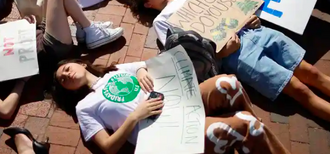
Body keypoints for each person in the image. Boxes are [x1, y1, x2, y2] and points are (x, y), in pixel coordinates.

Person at [127, 0, 330, 122]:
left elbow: (233, 6)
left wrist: (253, 16)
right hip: (236, 53)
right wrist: (221, 55)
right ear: (147, 3)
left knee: (311, 72)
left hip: (254, 31)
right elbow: (184, 53)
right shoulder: (161, 21)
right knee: (299, 90)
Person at [52, 58, 290, 154]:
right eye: (63, 81)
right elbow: (107, 147)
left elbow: (143, 64)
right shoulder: (84, 107)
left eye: (65, 69)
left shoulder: (116, 70)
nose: (66, 75)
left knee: (228, 83)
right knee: (245, 125)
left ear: (80, 62)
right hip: (164, 133)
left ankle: (254, 140)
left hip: (177, 101)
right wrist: (135, 116)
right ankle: (252, 135)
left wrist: (142, 70)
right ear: (68, 92)